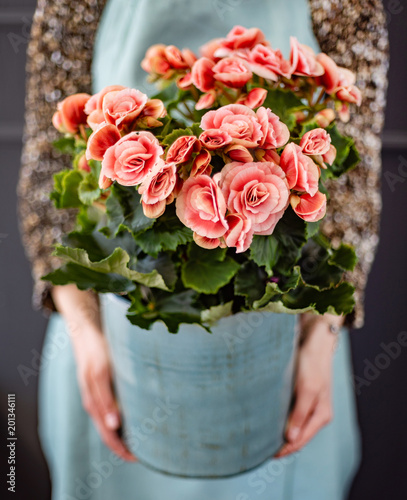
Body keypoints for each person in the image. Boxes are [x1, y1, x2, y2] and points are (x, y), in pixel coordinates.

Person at [18, 0, 389, 499]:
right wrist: (84, 334)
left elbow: (352, 182)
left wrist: (321, 337)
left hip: (287, 350)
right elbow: (48, 172)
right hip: (107, 343)